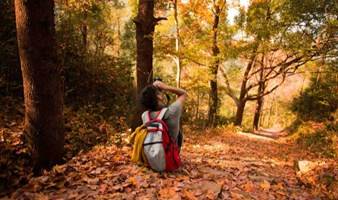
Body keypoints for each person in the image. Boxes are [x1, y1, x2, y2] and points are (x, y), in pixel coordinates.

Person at [140, 80, 187, 149]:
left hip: (150, 157)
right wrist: (165, 87)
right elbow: (183, 94)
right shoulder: (172, 112)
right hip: (170, 157)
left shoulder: (145, 116)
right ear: (159, 97)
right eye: (159, 93)